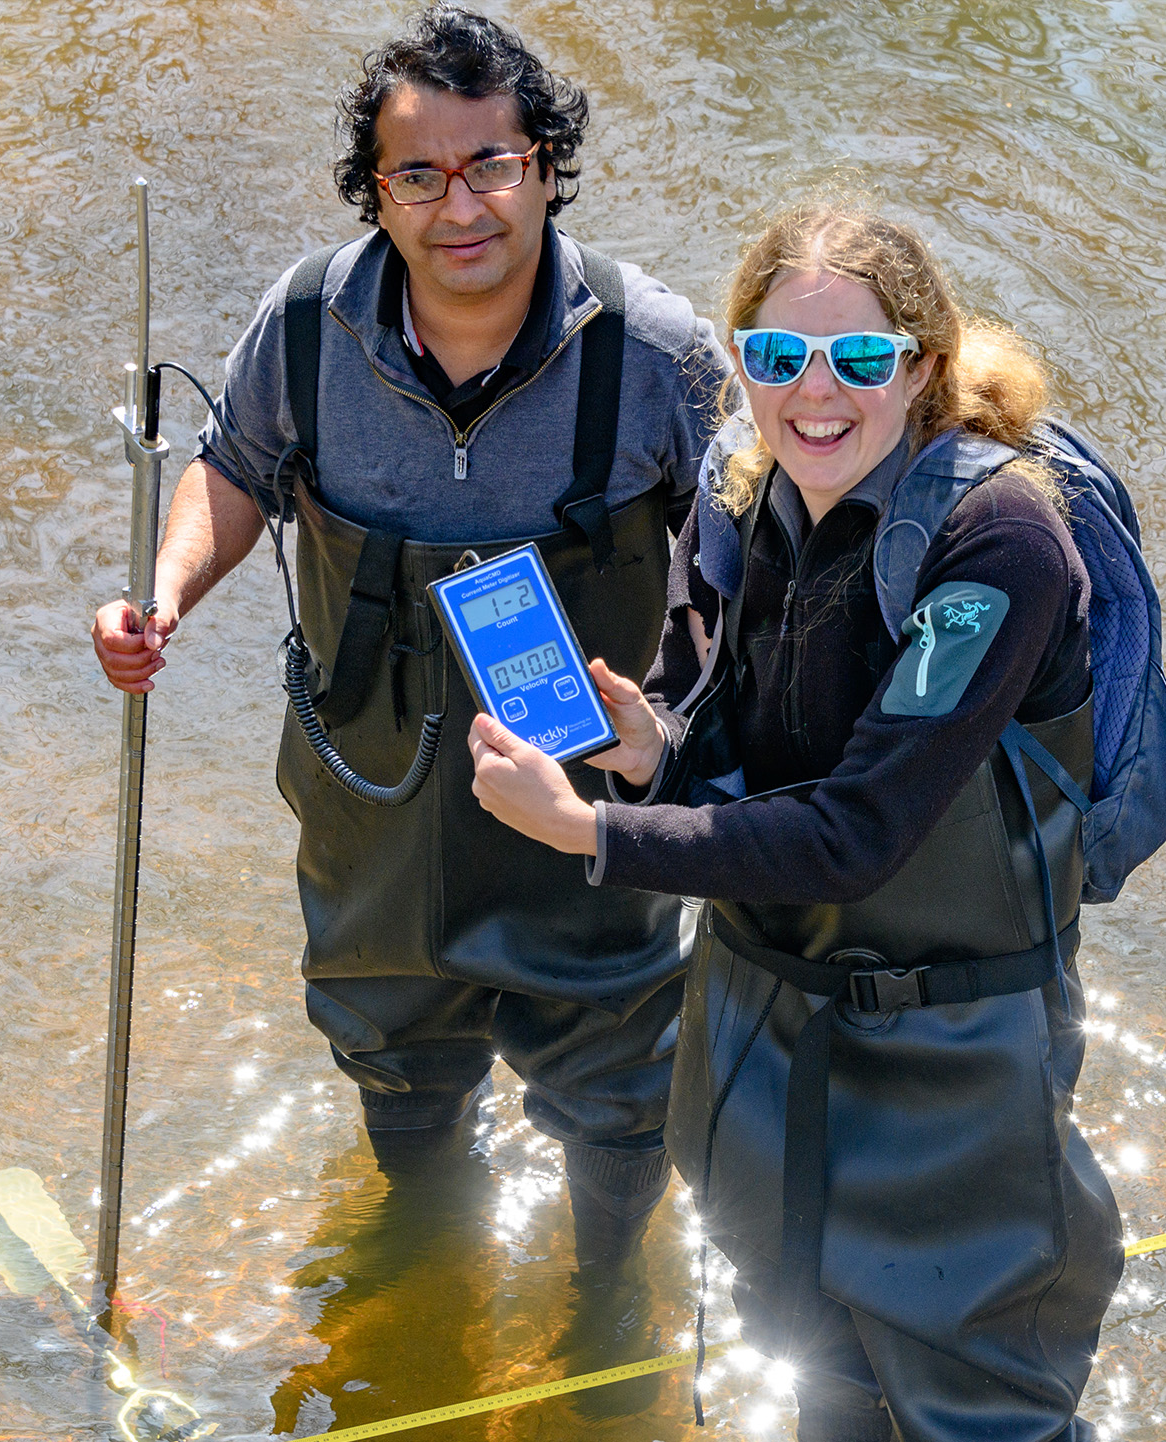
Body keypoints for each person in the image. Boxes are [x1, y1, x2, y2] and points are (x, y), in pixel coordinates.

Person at [88, 4, 724, 1279]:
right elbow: (231, 467)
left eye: (492, 163)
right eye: (418, 175)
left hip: (582, 817)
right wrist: (159, 598)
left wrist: (689, 734)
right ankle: (431, 1281)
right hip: (368, 808)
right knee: (398, 1076)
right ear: (376, 195)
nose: (461, 206)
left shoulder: (653, 353)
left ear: (544, 164)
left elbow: (745, 566)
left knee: (621, 1096)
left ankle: (607, 1304)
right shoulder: (309, 324)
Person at [468, 203, 1123, 1442]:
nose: (813, 394)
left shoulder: (1003, 539)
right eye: (775, 358)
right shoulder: (738, 490)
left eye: (859, 360)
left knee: (981, 1410)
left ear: (923, 366)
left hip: (954, 1059)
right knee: (818, 1381)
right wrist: (647, 751)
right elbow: (713, 734)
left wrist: (592, 835)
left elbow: (855, 832)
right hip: (764, 1034)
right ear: (738, 360)